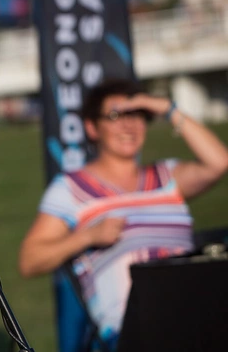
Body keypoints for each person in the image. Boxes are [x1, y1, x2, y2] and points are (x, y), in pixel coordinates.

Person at [18, 79, 228, 348]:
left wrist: (166, 108)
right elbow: (29, 260)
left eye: (137, 115)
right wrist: (88, 236)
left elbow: (219, 162)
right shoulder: (71, 189)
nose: (128, 126)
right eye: (116, 116)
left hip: (195, 312)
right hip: (133, 329)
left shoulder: (167, 176)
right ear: (92, 127)